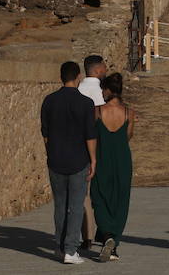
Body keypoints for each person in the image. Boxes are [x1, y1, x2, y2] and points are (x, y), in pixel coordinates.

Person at [39, 61, 97, 265]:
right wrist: (93, 159)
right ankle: (71, 250)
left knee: (60, 206)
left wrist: (50, 153)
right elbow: (90, 136)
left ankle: (60, 246)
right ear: (78, 76)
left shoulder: (49, 101)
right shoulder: (86, 104)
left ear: (61, 77)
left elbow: (45, 134)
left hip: (55, 160)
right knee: (76, 206)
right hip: (78, 161)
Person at [91, 73, 134, 263]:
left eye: (103, 89)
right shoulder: (129, 113)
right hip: (123, 161)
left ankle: (107, 236)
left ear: (108, 90)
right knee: (120, 201)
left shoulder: (97, 111)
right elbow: (127, 137)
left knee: (99, 198)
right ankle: (113, 244)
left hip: (102, 159)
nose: (101, 92)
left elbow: (91, 136)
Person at [77, 55, 106, 251]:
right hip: (93, 144)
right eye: (104, 66)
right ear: (97, 70)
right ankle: (94, 233)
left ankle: (84, 233)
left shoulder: (79, 88)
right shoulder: (96, 89)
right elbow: (97, 117)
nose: (106, 68)